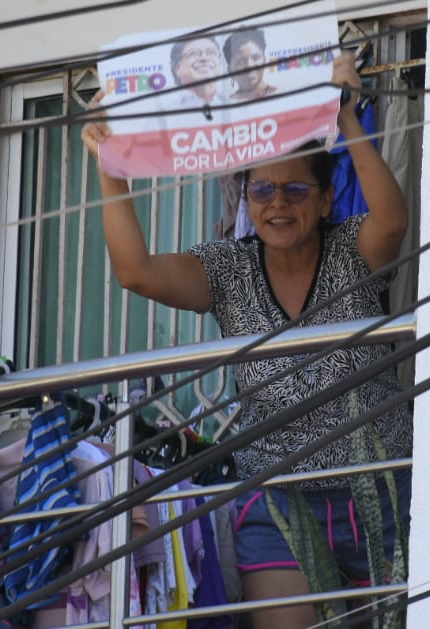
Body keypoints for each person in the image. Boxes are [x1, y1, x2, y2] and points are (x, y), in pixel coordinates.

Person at [82, 52, 412, 629]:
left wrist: (350, 118)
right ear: (246, 200)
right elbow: (135, 271)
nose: (278, 203)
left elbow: (393, 222)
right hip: (278, 494)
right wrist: (111, 163)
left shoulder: (353, 246)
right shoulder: (229, 270)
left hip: (379, 490)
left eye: (295, 190)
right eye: (262, 191)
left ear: (327, 199)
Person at [168, 35, 229, 110]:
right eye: (193, 53)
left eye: (211, 53)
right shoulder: (165, 110)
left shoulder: (234, 102)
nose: (204, 58)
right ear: (177, 69)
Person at [223, 28, 277, 103]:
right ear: (230, 70)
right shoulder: (227, 105)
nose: (249, 65)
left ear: (264, 60)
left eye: (255, 58)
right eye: (241, 61)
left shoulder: (280, 94)